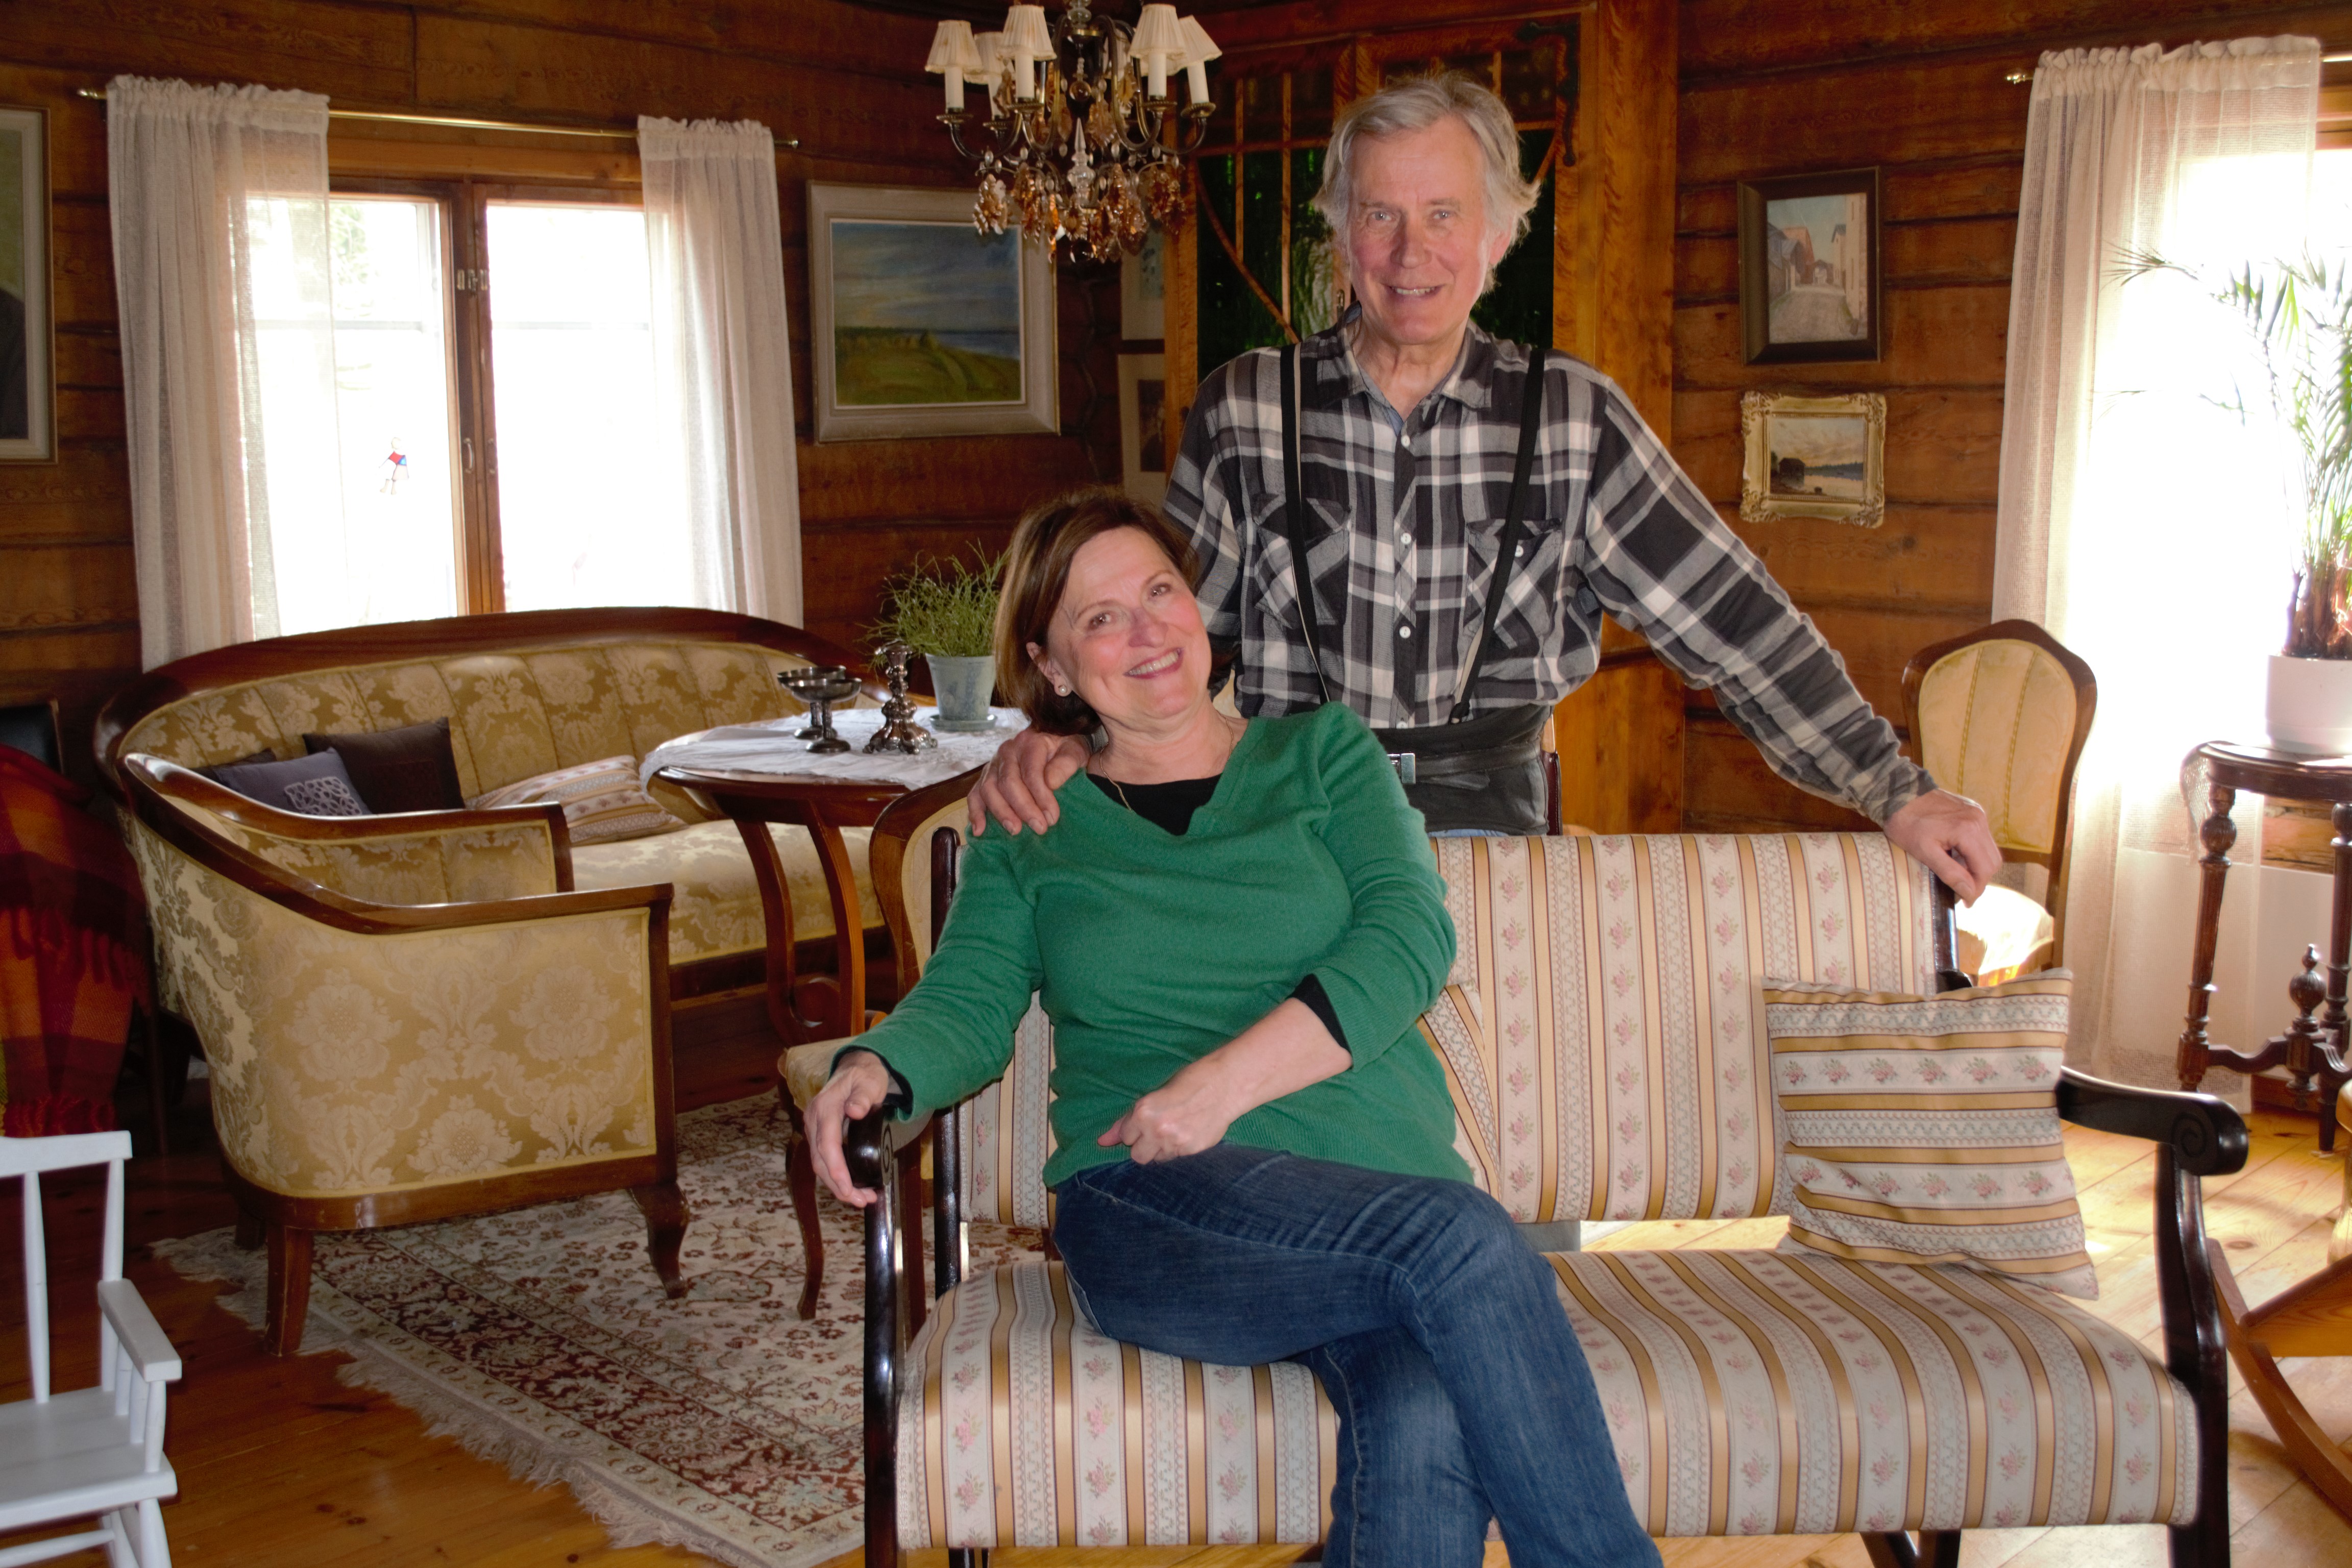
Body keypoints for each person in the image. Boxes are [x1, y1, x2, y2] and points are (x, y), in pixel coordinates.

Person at [805, 487, 1661, 1568]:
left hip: (1383, 1203)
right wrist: (878, 1063)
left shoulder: (1326, 756)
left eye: (1160, 591)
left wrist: (1224, 1085)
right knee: (1467, 1242)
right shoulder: (1031, 826)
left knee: (1424, 1410)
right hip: (1156, 1207)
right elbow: (968, 1004)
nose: (1148, 630)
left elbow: (1409, 936)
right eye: (1101, 617)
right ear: (1053, 667)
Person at [969, 74, 1999, 898]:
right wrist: (1060, 741)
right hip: (1285, 838)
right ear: (1342, 235)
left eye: (1443, 214)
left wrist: (1894, 791)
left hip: (1496, 850)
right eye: (1380, 214)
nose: (1409, 251)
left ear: (1498, 237)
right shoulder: (1245, 407)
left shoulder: (1574, 419)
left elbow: (1737, 621)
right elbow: (1163, 639)